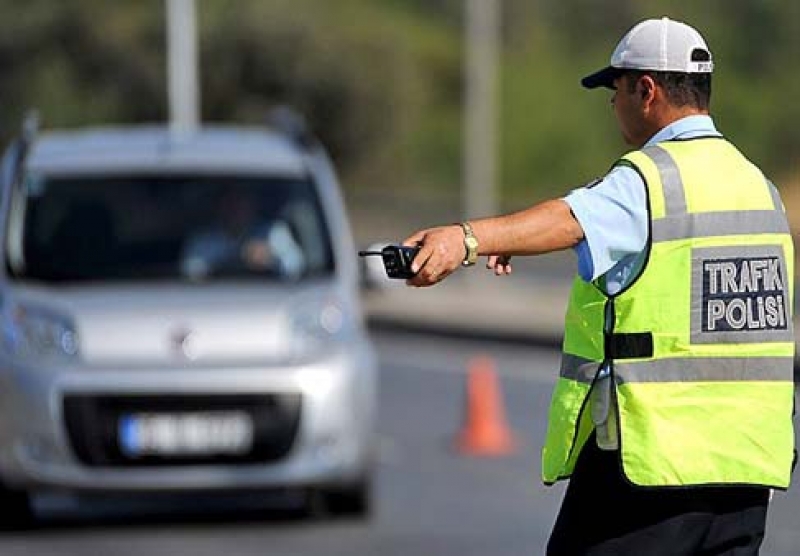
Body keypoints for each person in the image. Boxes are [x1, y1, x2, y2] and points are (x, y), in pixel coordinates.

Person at [403, 17, 795, 555]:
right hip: (746, 474)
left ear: (647, 91)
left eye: (616, 90)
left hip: (654, 470)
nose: (612, 105)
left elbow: (570, 219)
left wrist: (465, 239)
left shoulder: (650, 178)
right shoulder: (759, 188)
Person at [181, 188, 305, 279]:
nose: (236, 210)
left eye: (241, 203)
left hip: (267, 299)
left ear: (252, 206)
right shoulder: (203, 241)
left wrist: (271, 258)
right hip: (215, 300)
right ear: (220, 207)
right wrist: (237, 256)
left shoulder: (273, 232)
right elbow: (190, 272)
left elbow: (297, 267)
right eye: (230, 204)